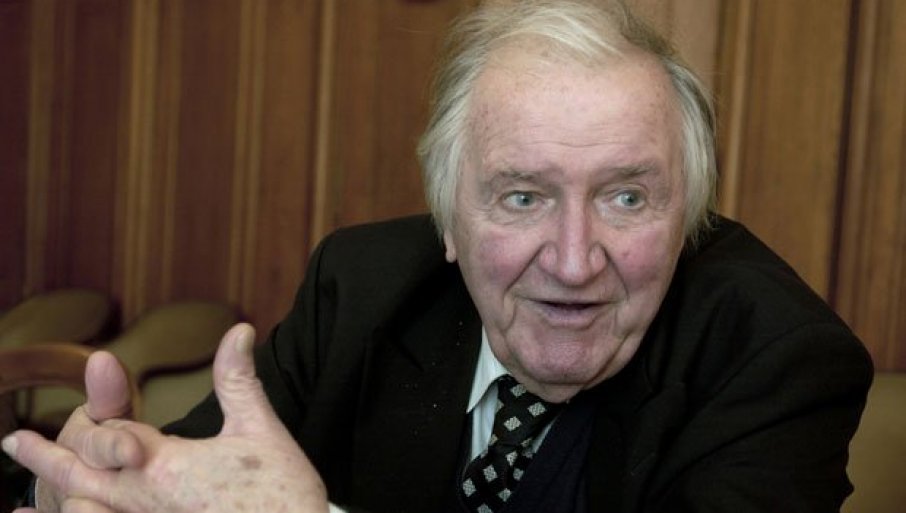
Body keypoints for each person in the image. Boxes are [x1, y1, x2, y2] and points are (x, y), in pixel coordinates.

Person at [2, 1, 872, 512]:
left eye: (626, 197)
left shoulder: (779, 360)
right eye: (523, 196)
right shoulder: (360, 289)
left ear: (687, 217)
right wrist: (95, 480)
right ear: (449, 220)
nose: (575, 262)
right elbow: (193, 480)